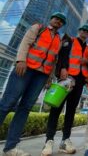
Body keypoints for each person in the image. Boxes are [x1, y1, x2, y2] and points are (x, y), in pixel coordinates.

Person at [0, 12, 66, 156]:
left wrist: (49, 78)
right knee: (7, 103)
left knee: (25, 108)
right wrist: (20, 60)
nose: (58, 22)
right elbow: (25, 42)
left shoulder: (59, 40)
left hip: (41, 76)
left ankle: (10, 147)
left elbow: (53, 60)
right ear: (51, 19)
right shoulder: (38, 28)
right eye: (56, 19)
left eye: (61, 21)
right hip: (24, 69)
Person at [41, 24, 88, 156]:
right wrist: (63, 68)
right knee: (56, 109)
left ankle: (65, 141)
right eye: (83, 30)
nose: (85, 33)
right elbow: (62, 55)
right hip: (66, 78)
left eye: (87, 32)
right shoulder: (70, 40)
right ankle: (49, 141)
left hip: (80, 81)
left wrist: (87, 61)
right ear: (79, 31)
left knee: (71, 111)